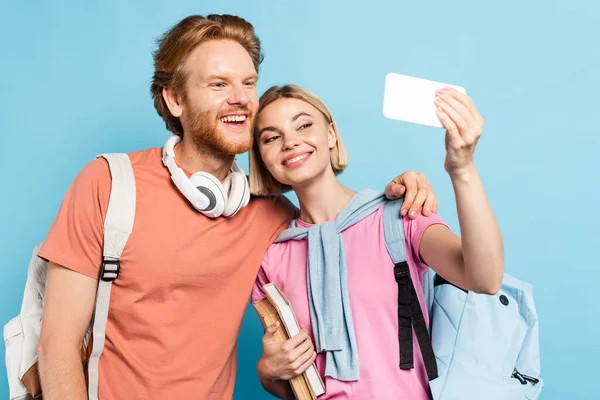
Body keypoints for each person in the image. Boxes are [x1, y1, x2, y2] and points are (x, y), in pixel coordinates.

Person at [36, 15, 438, 400]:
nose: (242, 98)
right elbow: (58, 344)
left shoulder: (273, 217)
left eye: (249, 82)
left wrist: (407, 189)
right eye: (218, 84)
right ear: (175, 99)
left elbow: (345, 225)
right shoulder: (109, 184)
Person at [249, 84, 504, 399]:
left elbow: (485, 278)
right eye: (272, 137)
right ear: (262, 156)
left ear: (330, 134)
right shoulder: (272, 259)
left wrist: (462, 168)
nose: (290, 141)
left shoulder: (398, 215)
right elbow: (292, 384)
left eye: (303, 125)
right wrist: (268, 373)